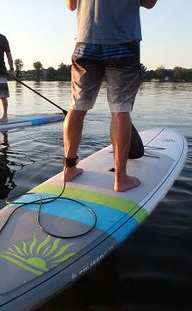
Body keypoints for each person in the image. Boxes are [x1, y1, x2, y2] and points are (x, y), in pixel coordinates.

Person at [63, 0, 157, 192]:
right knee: (120, 109)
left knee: (76, 107)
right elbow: (149, 3)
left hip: (86, 42)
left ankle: (69, 168)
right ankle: (120, 179)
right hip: (123, 43)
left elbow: (71, 5)